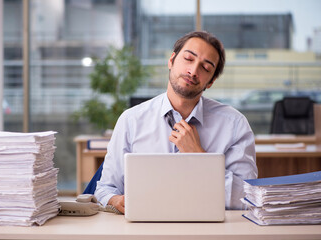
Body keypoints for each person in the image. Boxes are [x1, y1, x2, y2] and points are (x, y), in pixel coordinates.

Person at [94, 31, 258, 213]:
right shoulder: (131, 120)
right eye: (188, 58)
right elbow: (105, 189)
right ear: (171, 61)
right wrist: (115, 200)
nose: (193, 71)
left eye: (206, 68)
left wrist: (200, 158)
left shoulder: (234, 125)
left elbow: (248, 198)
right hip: (143, 228)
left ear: (210, 82)